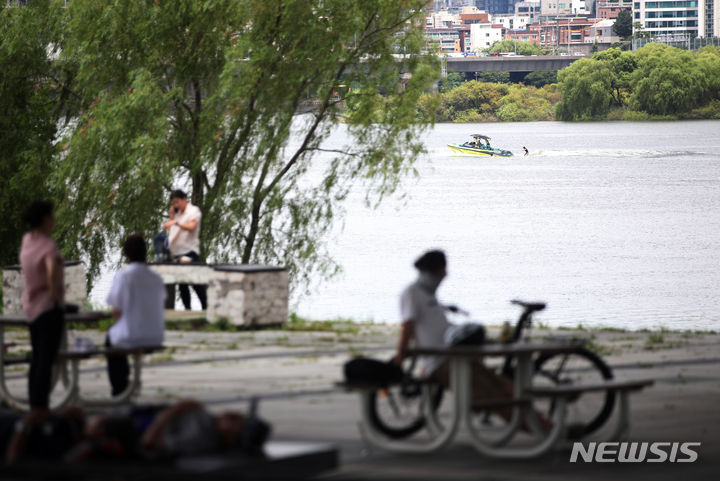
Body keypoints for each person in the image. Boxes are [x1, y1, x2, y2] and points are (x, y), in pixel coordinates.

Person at [394, 250, 548, 427]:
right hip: (442, 363)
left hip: (455, 357)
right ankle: (543, 428)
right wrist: (401, 355)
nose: (445, 276)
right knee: (494, 395)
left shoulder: (428, 294)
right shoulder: (411, 293)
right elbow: (408, 326)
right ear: (431, 271)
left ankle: (544, 425)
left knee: (505, 386)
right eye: (441, 272)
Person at [104, 234, 166, 396]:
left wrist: (121, 326)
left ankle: (119, 387)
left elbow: (116, 310)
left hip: (134, 336)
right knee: (118, 335)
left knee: (111, 339)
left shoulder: (123, 276)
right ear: (146, 252)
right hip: (155, 336)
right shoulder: (156, 278)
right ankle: (125, 384)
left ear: (126, 253)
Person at [19, 200, 65, 412]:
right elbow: (51, 272)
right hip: (49, 308)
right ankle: (40, 409)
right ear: (46, 219)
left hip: (31, 307)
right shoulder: (48, 246)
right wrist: (55, 295)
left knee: (37, 358)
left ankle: (33, 405)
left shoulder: (27, 241)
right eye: (53, 216)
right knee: (46, 362)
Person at [162, 190, 207, 310]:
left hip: (189, 252)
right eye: (173, 203)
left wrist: (176, 222)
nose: (175, 205)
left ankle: (206, 308)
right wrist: (173, 214)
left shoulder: (193, 211)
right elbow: (173, 225)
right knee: (182, 285)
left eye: (177, 202)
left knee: (196, 282)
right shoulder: (178, 214)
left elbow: (192, 227)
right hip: (177, 253)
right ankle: (187, 309)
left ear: (184, 199)